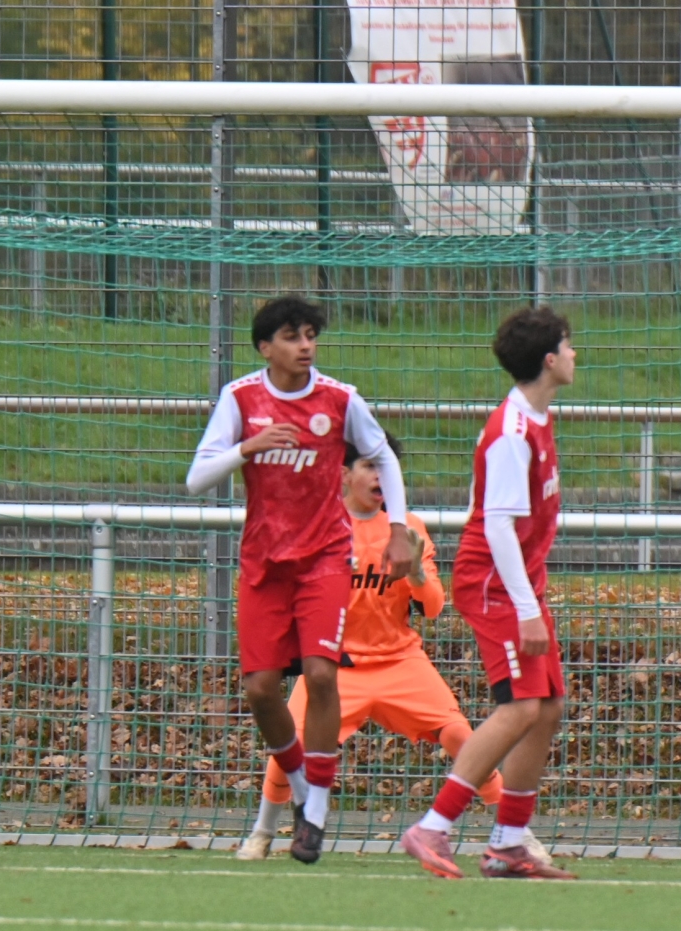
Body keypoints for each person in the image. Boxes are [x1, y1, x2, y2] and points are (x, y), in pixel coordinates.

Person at [237, 433, 550, 868]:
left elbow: (434, 606)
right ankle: (263, 832)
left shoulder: (408, 529)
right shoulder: (319, 528)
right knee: (292, 743)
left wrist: (417, 573)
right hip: (336, 666)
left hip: (399, 660)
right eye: (370, 467)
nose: (380, 477)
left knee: (460, 734)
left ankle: (517, 834)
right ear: (342, 474)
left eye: (386, 469)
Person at [186, 296, 415, 865]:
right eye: (292, 336)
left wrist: (399, 528)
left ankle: (316, 811)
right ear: (266, 347)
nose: (305, 345)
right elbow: (196, 478)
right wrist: (247, 448)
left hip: (325, 558)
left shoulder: (340, 398)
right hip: (265, 564)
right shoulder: (241, 398)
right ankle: (299, 786)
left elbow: (384, 456)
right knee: (261, 691)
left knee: (320, 673)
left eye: (311, 334)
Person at [397, 307, 576, 881]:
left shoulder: (537, 418)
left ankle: (509, 843)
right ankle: (433, 827)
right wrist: (525, 609)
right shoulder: (512, 433)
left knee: (548, 706)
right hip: (494, 584)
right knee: (520, 706)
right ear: (548, 359)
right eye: (568, 346)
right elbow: (497, 527)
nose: (575, 355)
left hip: (519, 582)